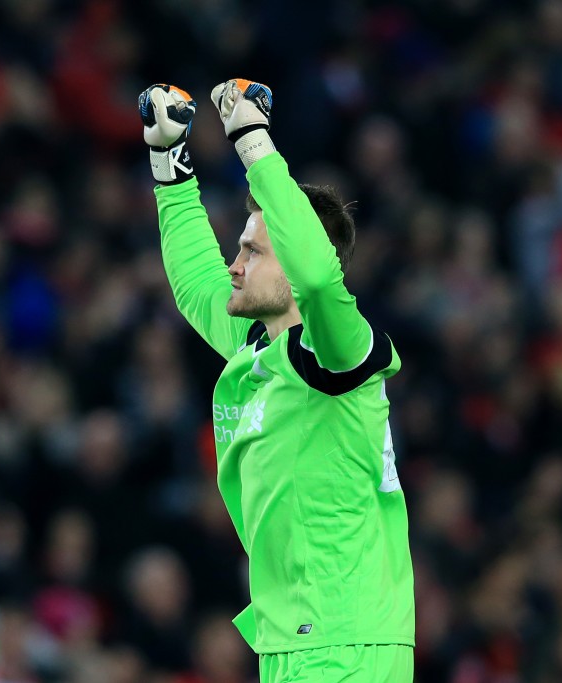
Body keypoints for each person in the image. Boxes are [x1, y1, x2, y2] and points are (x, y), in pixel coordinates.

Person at [138, 80, 415, 681]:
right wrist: (168, 160)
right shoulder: (258, 346)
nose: (234, 264)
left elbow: (316, 278)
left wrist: (252, 139)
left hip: (346, 639)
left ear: (294, 256)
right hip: (293, 640)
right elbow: (195, 284)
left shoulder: (338, 352)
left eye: (253, 252)